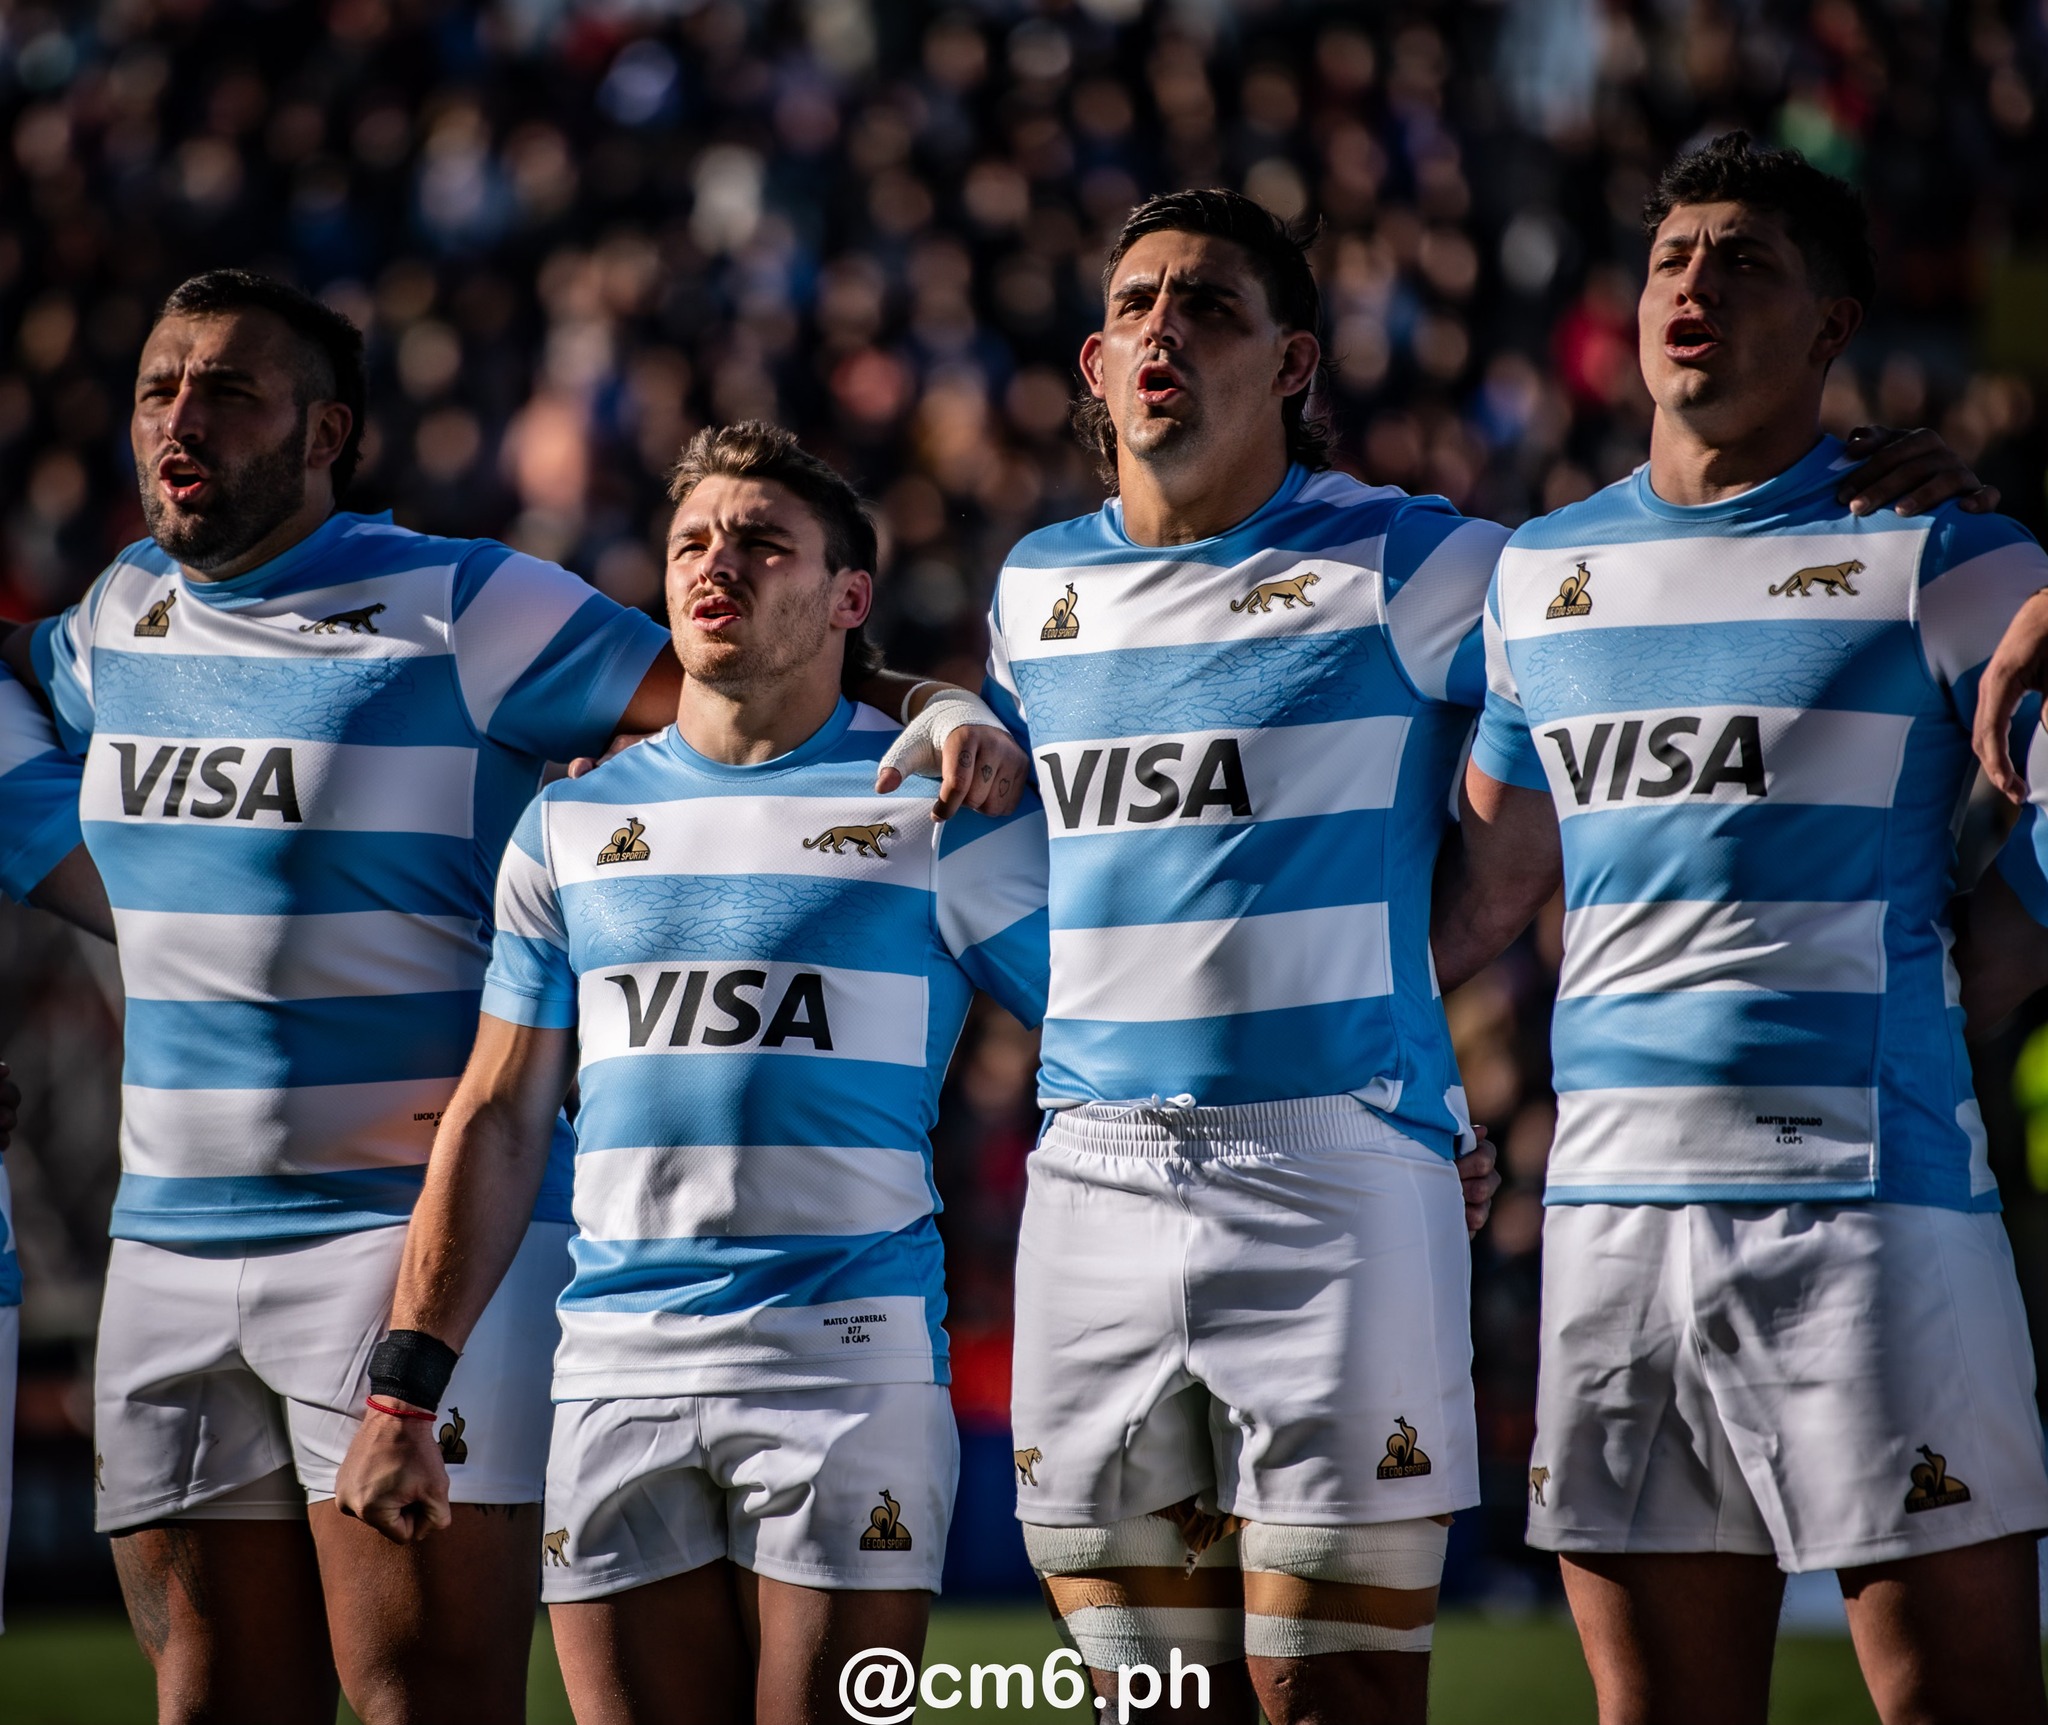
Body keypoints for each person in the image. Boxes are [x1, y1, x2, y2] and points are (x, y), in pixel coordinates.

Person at [983, 186, 1993, 1725]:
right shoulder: (1028, 593)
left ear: (1296, 360)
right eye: (1134, 307)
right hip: (1092, 1179)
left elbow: (1630, 646)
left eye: (1209, 306)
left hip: (1349, 1181)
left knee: (1333, 1698)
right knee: (1142, 1700)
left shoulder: (1439, 567)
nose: (1162, 331)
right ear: (1093, 359)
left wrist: (1386, 1070)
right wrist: (916, 700)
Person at [0, 273, 1022, 1725]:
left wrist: (934, 705)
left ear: (321, 431)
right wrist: (92, 879)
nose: (180, 417)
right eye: (160, 386)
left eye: (227, 391)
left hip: (404, 1236)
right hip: (159, 1236)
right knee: (211, 1695)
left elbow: (747, 690)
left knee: (423, 1694)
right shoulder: (109, 621)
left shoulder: (468, 602)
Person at [1435, 133, 2048, 1725]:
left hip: (1871, 1217)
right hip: (1610, 1227)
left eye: (1745, 263)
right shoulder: (1537, 574)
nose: (1692, 287)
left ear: (1836, 324)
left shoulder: (1950, 554)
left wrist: (1974, 987)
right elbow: (1490, 894)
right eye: (1671, 260)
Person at [332, 422, 1049, 1725]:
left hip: (848, 1368)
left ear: (848, 598)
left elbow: (1114, 1027)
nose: (720, 560)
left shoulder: (940, 807)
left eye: (764, 541)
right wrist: (403, 1387)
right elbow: (497, 1113)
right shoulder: (571, 823)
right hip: (616, 1370)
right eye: (692, 541)